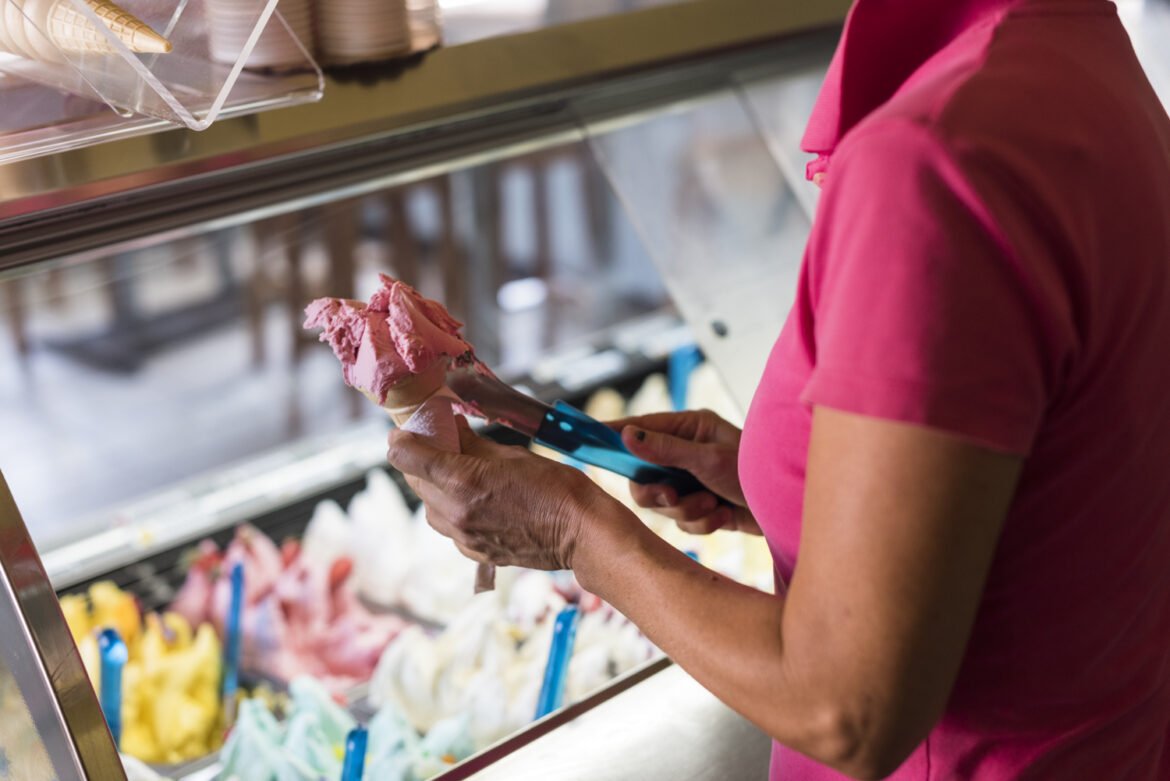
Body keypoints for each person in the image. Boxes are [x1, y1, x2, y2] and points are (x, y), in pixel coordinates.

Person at [386, 0, 1170, 777]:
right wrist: (798, 486)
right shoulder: (1077, 52)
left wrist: (573, 529)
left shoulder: (929, 158)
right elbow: (1059, 492)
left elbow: (848, 711)